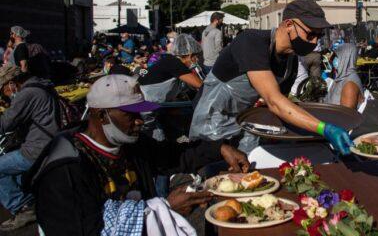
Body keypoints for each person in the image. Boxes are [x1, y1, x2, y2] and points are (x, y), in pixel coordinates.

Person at [26, 74, 249, 236]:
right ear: (101, 115)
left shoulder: (131, 144)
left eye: (140, 113)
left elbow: (174, 156)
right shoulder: (65, 169)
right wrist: (163, 209)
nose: (140, 121)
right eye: (131, 115)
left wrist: (219, 147)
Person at [189, 0, 354, 154]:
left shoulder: (291, 63)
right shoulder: (251, 41)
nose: (314, 42)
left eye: (319, 36)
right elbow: (274, 101)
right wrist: (323, 128)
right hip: (211, 122)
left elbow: (278, 105)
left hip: (243, 121)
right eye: (310, 35)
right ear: (289, 24)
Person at [0, 65, 60, 231]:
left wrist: (10, 105)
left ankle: (22, 208)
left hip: (38, 149)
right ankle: (32, 196)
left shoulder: (27, 93)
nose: (3, 93)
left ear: (11, 84)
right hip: (52, 143)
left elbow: (5, 124)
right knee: (9, 163)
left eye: (2, 89)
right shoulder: (41, 85)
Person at [138, 34, 203, 105]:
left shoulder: (170, 59)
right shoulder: (175, 63)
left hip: (148, 100)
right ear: (190, 55)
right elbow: (200, 85)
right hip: (146, 105)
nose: (197, 59)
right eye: (196, 56)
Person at [324, 44, 364, 110]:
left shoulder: (350, 85)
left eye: (336, 56)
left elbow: (346, 117)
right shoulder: (341, 77)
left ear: (346, 58)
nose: (331, 59)